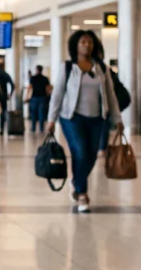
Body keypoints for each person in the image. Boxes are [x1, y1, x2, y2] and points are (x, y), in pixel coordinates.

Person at [48, 30, 123, 213]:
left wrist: (117, 118)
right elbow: (57, 94)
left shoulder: (102, 68)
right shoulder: (67, 67)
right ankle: (82, 193)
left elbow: (111, 95)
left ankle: (76, 181)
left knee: (90, 155)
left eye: (90, 42)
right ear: (76, 45)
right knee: (79, 151)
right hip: (71, 117)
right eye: (83, 42)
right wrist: (51, 119)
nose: (87, 45)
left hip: (97, 118)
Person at [0, 61, 15, 135]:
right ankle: (1, 128)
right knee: (3, 112)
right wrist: (10, 94)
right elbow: (12, 85)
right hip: (3, 96)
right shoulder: (5, 74)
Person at [25, 65, 51, 133]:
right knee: (41, 113)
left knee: (33, 113)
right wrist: (48, 95)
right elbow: (48, 89)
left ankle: (33, 128)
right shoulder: (45, 78)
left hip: (34, 98)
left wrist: (27, 96)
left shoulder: (33, 78)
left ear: (36, 70)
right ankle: (41, 128)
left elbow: (29, 88)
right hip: (42, 97)